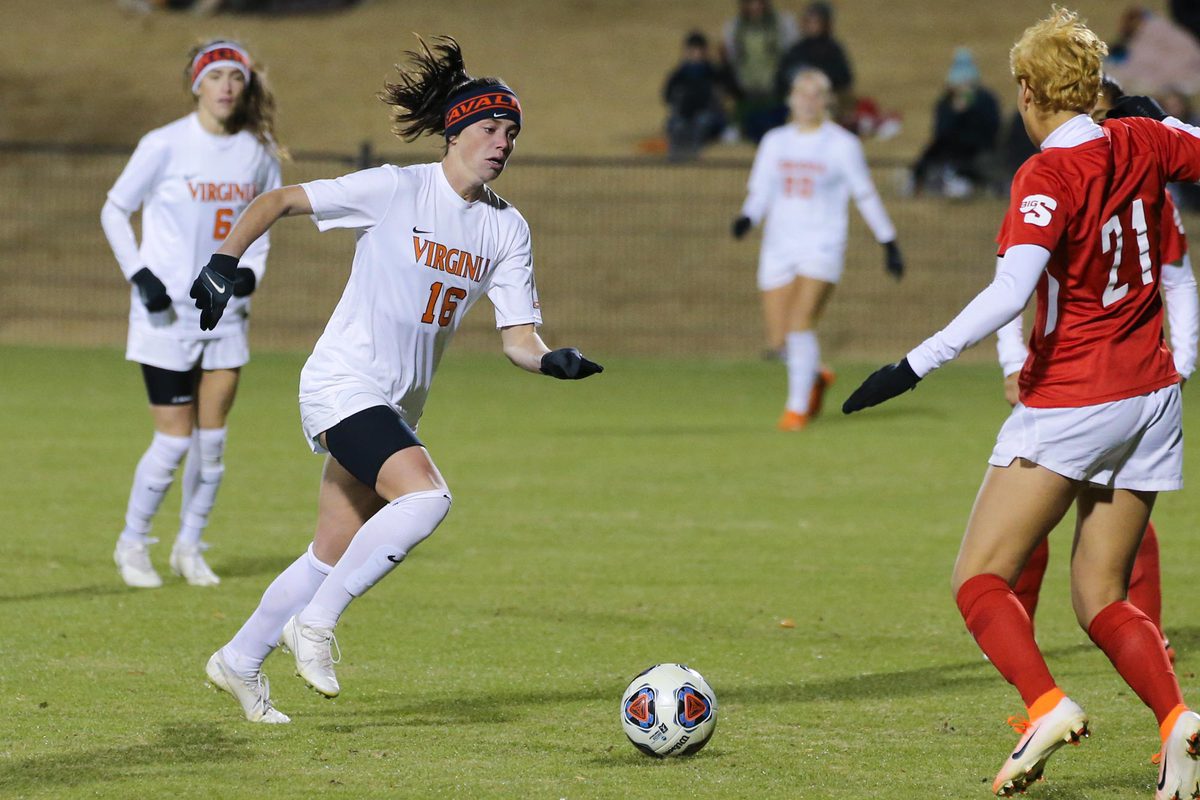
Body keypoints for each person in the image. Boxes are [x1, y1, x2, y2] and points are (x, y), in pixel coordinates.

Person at [842, 9, 1200, 797]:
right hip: (1156, 398)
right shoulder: (1143, 142)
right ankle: (1178, 723)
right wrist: (1167, 120)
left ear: (1032, 92)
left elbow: (1012, 289)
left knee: (979, 580)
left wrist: (912, 364)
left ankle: (1045, 706)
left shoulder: (1047, 174)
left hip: (1078, 398)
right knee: (1102, 595)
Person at [193, 37, 603, 723]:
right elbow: (281, 200)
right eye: (491, 128)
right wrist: (223, 261)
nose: (502, 143)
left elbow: (518, 338)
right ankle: (315, 627)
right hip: (342, 384)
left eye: (512, 133)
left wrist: (549, 359)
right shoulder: (395, 188)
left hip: (393, 404)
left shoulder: (508, 230)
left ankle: (237, 660)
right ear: (457, 129)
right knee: (429, 497)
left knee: (328, 553)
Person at [997, 75, 1199, 664]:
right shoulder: (1054, 181)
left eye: (1110, 118)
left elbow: (1178, 278)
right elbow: (1011, 284)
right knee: (1031, 523)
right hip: (1071, 378)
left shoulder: (1144, 190)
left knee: (1111, 530)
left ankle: (1141, 633)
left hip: (1103, 385)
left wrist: (1180, 360)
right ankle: (1017, 627)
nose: (1100, 130)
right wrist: (1014, 363)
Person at [101, 39, 282, 589]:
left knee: (214, 442)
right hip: (165, 315)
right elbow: (114, 208)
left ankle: (189, 546)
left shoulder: (258, 151)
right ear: (195, 83)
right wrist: (141, 276)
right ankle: (133, 544)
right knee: (174, 440)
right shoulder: (164, 144)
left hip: (225, 314)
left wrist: (248, 275)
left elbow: (266, 221)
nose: (226, 85)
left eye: (236, 76)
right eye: (216, 75)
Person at [732, 68, 903, 432]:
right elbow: (760, 191)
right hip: (778, 246)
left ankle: (796, 410)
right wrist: (747, 218)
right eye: (802, 93)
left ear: (827, 100)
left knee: (799, 324)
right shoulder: (775, 141)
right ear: (790, 98)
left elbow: (864, 194)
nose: (808, 101)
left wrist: (887, 240)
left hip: (822, 245)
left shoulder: (841, 144)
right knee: (779, 339)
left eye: (816, 94)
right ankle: (815, 375)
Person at [910, 48, 1001, 198]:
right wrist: (955, 113)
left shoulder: (986, 101)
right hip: (949, 153)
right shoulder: (946, 103)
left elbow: (992, 130)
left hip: (977, 152)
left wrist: (970, 111)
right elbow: (940, 133)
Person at [720, 0, 799, 142]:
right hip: (745, 87)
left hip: (775, 86)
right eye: (751, 3)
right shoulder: (735, 27)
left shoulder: (782, 23)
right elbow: (732, 57)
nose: (755, 7)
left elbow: (791, 52)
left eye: (759, 3)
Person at [773, 2, 854, 123]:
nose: (811, 26)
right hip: (797, 107)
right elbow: (780, 79)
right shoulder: (796, 50)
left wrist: (819, 80)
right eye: (808, 22)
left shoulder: (833, 50)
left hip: (827, 105)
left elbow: (845, 78)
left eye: (816, 22)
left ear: (825, 24)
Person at [662, 31, 727, 161]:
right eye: (693, 51)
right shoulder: (679, 74)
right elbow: (668, 95)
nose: (696, 55)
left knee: (701, 122)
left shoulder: (712, 72)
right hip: (684, 114)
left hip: (706, 114)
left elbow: (722, 94)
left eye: (699, 51)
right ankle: (675, 154)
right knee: (678, 125)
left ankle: (692, 153)